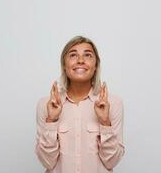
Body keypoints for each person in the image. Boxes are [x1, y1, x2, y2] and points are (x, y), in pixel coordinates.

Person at [35, 36, 125, 173]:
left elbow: (112, 161)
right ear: (64, 65)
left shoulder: (113, 104)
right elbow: (47, 161)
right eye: (73, 55)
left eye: (88, 55)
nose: (81, 60)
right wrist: (51, 120)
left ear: (95, 66)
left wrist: (105, 122)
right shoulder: (46, 105)